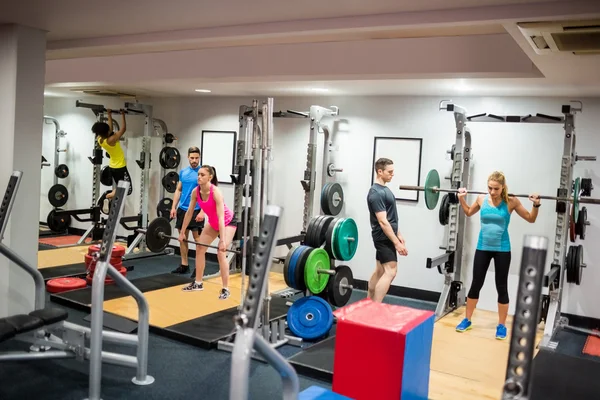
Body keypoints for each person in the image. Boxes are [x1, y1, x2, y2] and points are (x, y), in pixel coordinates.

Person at [454, 171, 540, 340]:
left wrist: (536, 205)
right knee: (476, 283)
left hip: (502, 249)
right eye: (490, 188)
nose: (492, 192)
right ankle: (467, 319)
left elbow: (531, 219)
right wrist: (461, 199)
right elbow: (469, 212)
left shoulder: (511, 201)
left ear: (503, 187)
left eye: (496, 189)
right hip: (483, 248)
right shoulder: (480, 199)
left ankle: (501, 325)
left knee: (501, 286)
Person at [179, 165, 237, 300]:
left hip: (227, 222)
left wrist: (222, 240)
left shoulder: (216, 192)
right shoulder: (196, 192)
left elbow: (221, 217)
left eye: (202, 175)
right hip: (213, 223)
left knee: (221, 252)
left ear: (210, 177)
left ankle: (225, 289)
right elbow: (189, 213)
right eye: (198, 174)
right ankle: (198, 283)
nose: (199, 177)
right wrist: (182, 232)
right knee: (200, 248)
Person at [366, 157, 408, 303]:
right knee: (391, 271)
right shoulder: (376, 193)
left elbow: (390, 217)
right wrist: (396, 243)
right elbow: (383, 222)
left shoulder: (383, 189)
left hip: (387, 236)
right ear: (380, 171)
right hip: (383, 237)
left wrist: (398, 234)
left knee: (380, 271)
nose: (392, 174)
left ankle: (368, 303)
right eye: (389, 172)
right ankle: (375, 308)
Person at [170, 147, 204, 277]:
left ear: (199, 157)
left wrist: (202, 211)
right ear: (188, 158)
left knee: (198, 241)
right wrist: (173, 207)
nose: (194, 160)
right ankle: (184, 265)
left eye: (196, 158)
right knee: (182, 238)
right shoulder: (183, 172)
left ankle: (199, 267)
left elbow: (207, 194)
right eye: (192, 158)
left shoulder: (202, 173)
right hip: (182, 210)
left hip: (196, 211)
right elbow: (178, 190)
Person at [92, 109, 131, 213]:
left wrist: (109, 114)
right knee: (128, 189)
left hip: (114, 167)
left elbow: (110, 128)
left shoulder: (100, 139)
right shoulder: (111, 140)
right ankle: (107, 195)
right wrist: (123, 114)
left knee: (121, 187)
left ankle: (110, 196)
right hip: (119, 167)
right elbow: (123, 129)